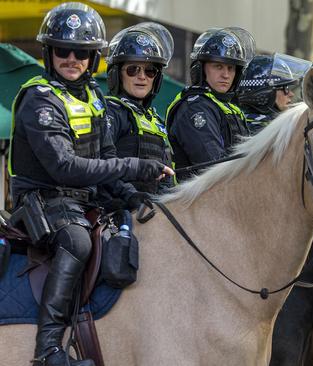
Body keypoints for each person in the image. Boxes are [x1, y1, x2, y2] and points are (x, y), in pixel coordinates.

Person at [8, 3, 173, 365]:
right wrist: (137, 165)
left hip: (84, 200)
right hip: (43, 202)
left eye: (81, 52)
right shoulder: (40, 99)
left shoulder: (95, 97)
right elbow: (65, 166)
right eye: (63, 50)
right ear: (49, 53)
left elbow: (107, 159)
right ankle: (48, 348)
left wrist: (134, 197)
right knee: (78, 240)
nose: (72, 59)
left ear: (93, 58)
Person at [166, 27, 255, 180]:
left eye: (231, 68)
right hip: (198, 200)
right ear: (201, 69)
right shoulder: (195, 107)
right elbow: (213, 166)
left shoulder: (230, 108)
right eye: (218, 66)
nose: (226, 75)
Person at [105, 22, 174, 195]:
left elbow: (167, 176)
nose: (142, 77)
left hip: (153, 209)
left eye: (150, 71)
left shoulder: (156, 121)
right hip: (117, 207)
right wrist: (131, 196)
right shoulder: (110, 112)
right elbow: (103, 168)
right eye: (133, 70)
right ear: (117, 74)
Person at [236, 53, 311, 134]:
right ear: (265, 93)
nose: (291, 94)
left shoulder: (243, 122)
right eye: (285, 88)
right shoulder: (255, 131)